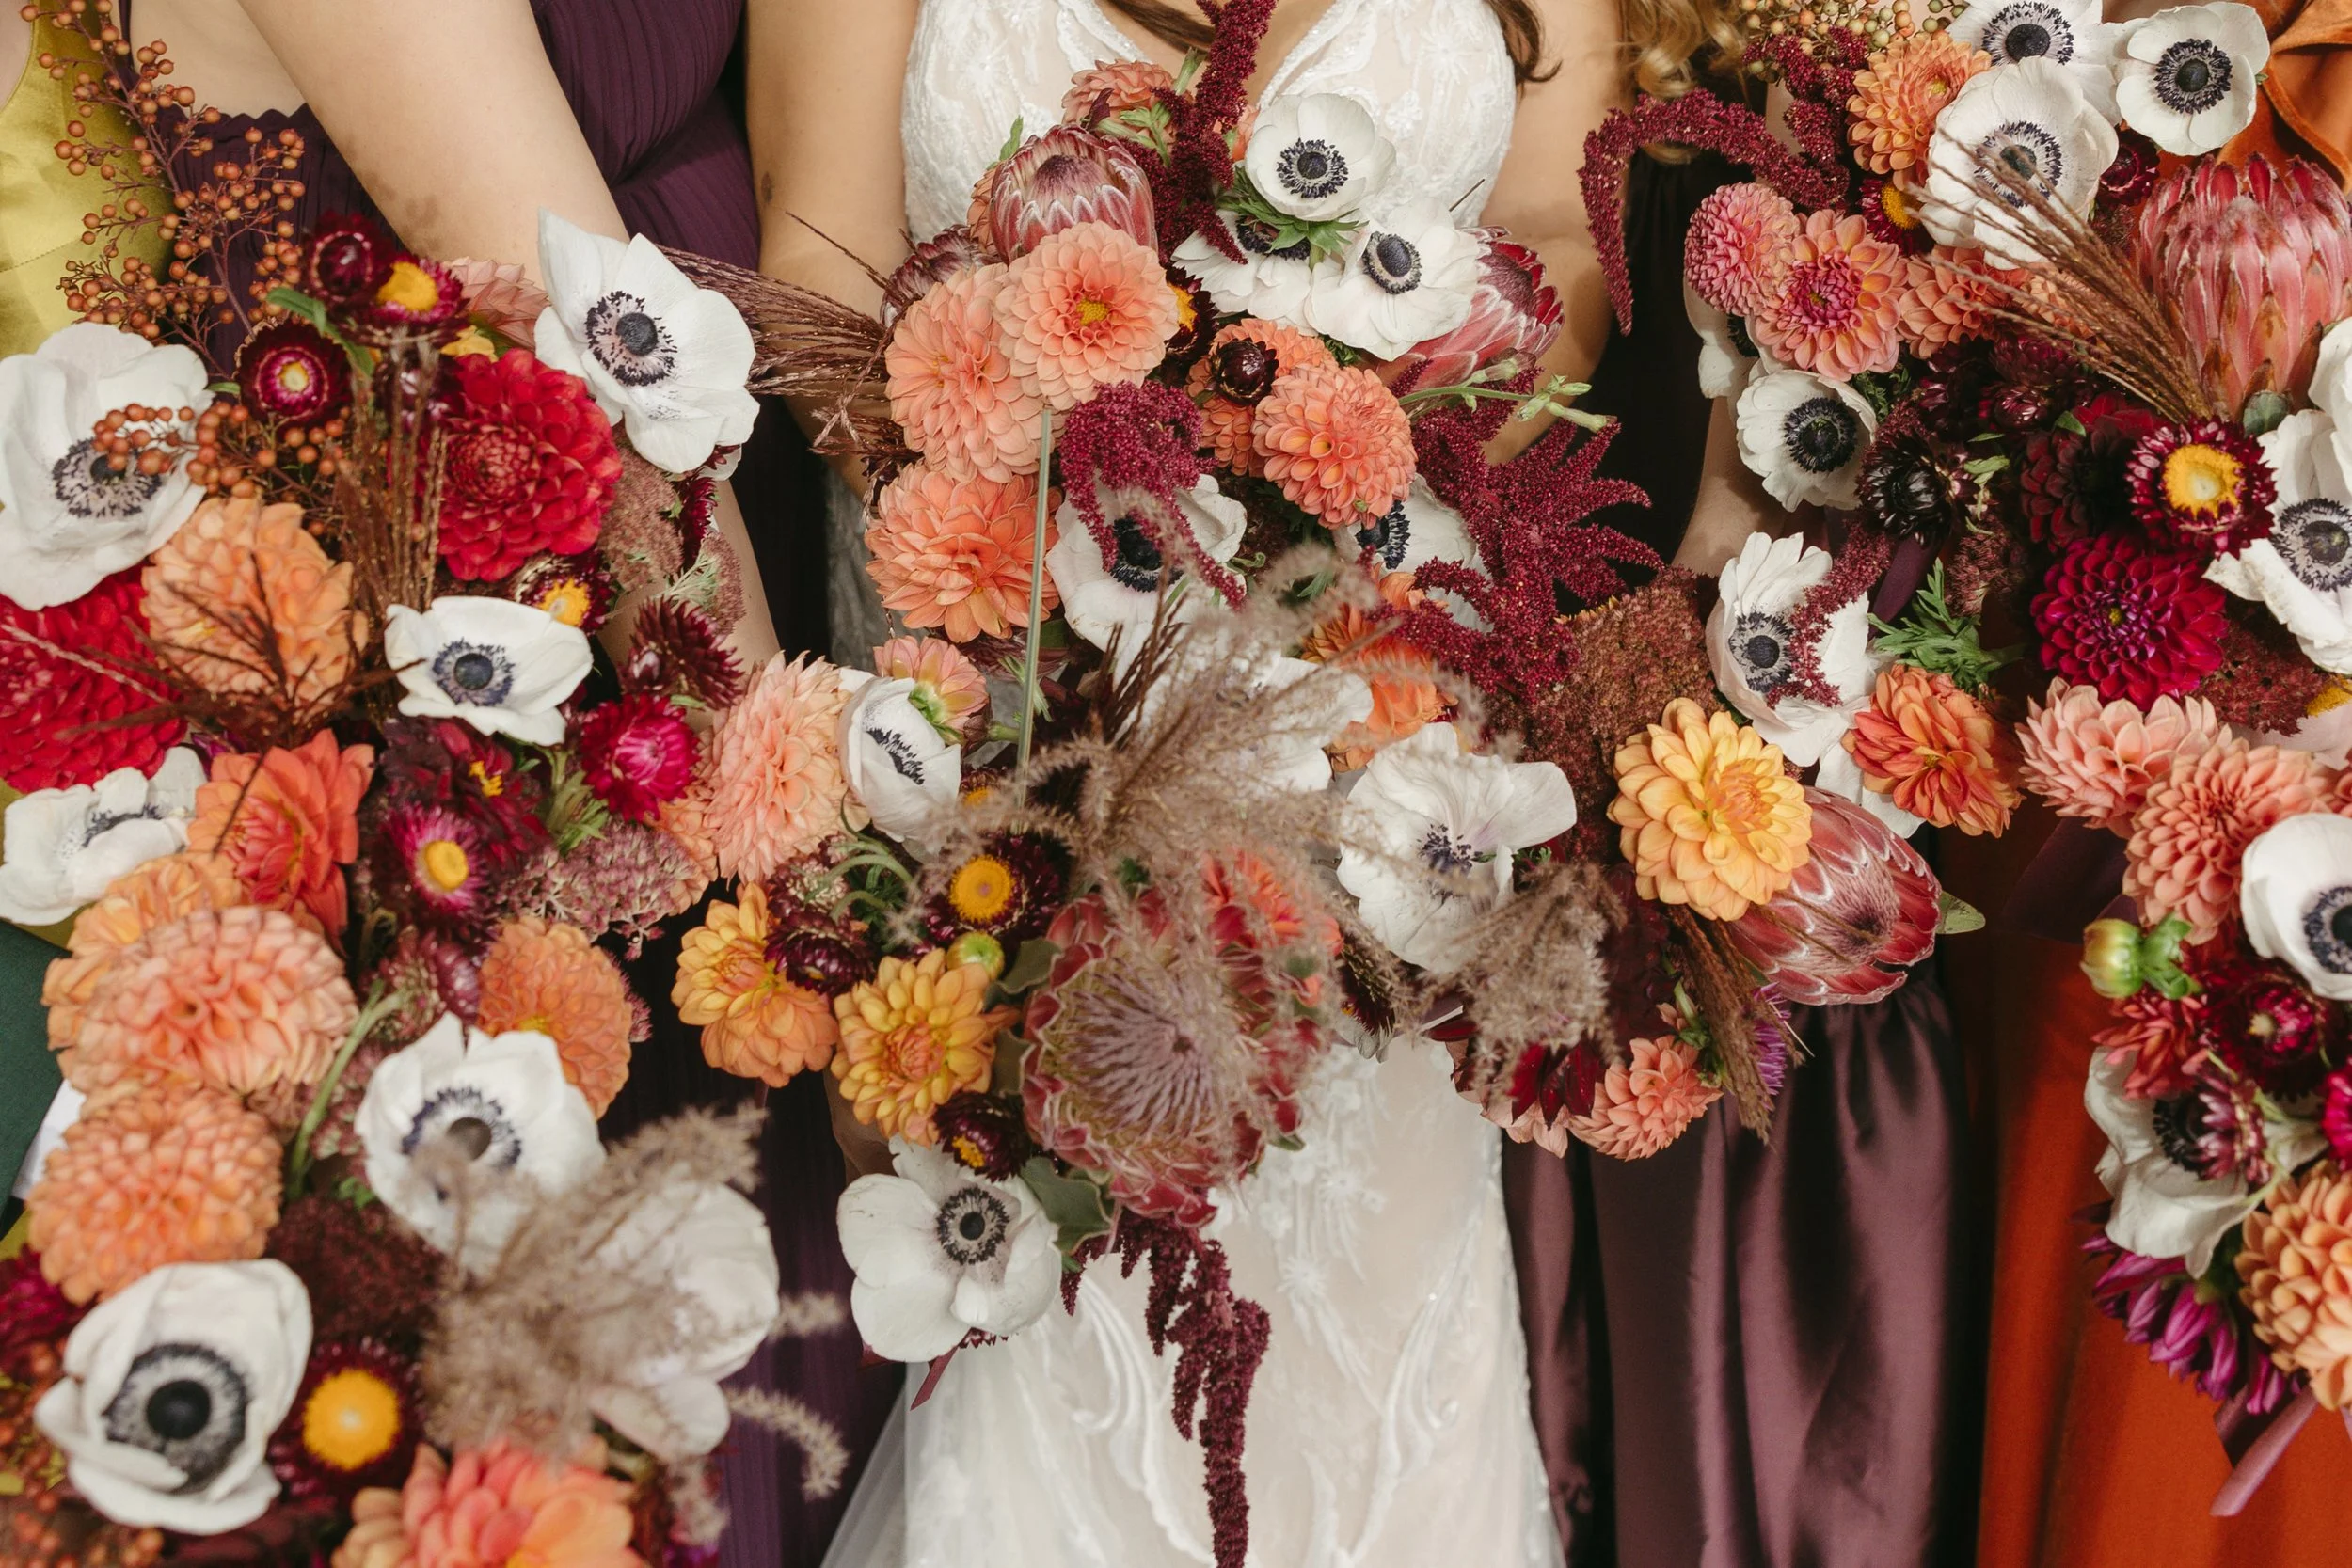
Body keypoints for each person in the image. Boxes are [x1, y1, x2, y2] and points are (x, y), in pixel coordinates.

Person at [749, 2, 1743, 1562]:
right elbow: (816, 251)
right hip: (1012, 659)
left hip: (1392, 670)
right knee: (1071, 1285)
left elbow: (1558, 221)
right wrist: (1067, 486)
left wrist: (1335, 417)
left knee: (1367, 1295)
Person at [2, 4, 887, 1563]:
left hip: (735, 613)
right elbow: (570, 334)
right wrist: (827, 896)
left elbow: (830, 242)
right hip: (487, 690)